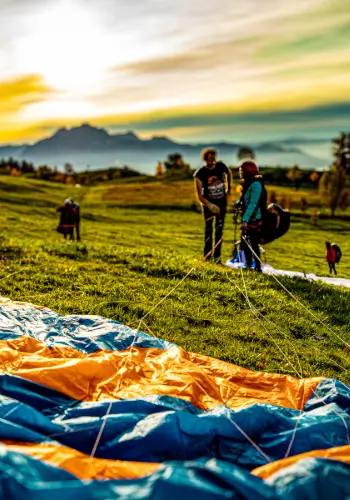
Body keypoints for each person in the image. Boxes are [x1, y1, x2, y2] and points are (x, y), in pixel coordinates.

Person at [194, 148, 231, 263]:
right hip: (207, 204)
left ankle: (217, 258)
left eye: (213, 159)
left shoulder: (221, 167)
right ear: (205, 159)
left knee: (219, 230)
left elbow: (228, 173)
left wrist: (228, 191)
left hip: (221, 202)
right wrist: (210, 206)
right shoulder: (200, 174)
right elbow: (200, 196)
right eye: (209, 159)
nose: (211, 162)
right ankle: (207, 257)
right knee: (209, 229)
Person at [238, 159, 267, 272]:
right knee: (245, 242)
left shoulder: (256, 184)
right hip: (248, 216)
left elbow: (253, 203)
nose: (240, 172)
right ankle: (248, 265)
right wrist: (238, 204)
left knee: (252, 242)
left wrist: (245, 219)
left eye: (241, 170)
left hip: (254, 218)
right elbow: (246, 200)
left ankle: (257, 267)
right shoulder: (248, 183)